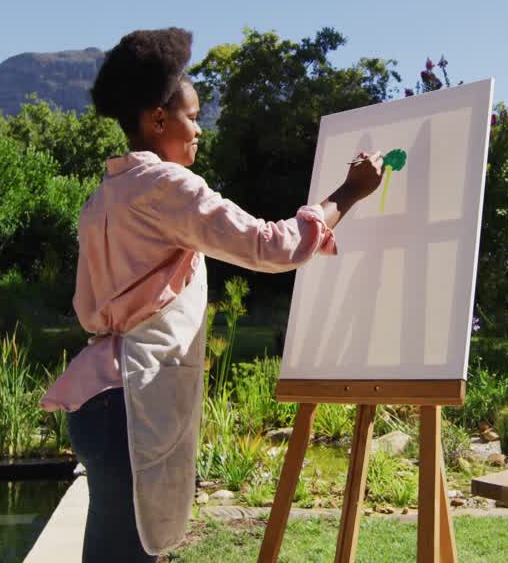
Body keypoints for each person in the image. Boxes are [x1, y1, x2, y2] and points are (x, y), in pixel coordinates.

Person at [40, 28, 384, 561]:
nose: (200, 130)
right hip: (134, 399)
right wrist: (348, 194)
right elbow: (271, 245)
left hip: (96, 402)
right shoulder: (167, 187)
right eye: (192, 117)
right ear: (158, 119)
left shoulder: (104, 196)